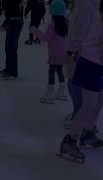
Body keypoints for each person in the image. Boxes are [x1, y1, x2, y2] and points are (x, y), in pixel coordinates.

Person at [58, 0, 103, 163]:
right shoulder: (87, 7)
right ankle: (70, 140)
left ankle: (87, 133)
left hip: (96, 63)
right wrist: (71, 52)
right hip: (91, 63)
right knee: (89, 105)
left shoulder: (93, 7)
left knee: (98, 102)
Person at [64, 0, 100, 128]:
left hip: (79, 51)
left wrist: (70, 52)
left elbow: (79, 31)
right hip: (83, 50)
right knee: (75, 82)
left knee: (74, 82)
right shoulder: (84, 5)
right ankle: (79, 114)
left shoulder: (84, 6)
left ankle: (79, 116)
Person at [30, 0, 68, 104]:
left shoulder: (53, 25)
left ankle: (50, 92)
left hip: (54, 53)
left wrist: (35, 30)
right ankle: (62, 91)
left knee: (51, 71)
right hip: (62, 52)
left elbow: (45, 38)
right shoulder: (65, 22)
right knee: (59, 70)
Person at [0, 0, 24, 80]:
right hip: (13, 22)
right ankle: (8, 69)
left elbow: (12, 11)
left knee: (12, 48)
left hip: (14, 22)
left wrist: (4, 24)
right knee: (8, 48)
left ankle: (13, 73)